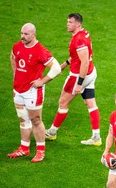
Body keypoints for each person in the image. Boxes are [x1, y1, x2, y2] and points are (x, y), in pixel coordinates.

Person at [7, 23, 61, 163]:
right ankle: (24, 148)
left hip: (32, 92)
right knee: (23, 118)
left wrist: (42, 81)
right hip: (18, 89)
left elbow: (56, 68)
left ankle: (40, 151)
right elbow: (13, 56)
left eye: (26, 34)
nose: (22, 36)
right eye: (21, 33)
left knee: (36, 120)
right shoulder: (17, 46)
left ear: (33, 34)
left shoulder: (40, 51)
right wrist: (15, 73)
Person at [45, 13, 101, 146]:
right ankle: (96, 137)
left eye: (70, 22)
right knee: (90, 104)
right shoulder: (83, 34)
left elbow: (84, 62)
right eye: (67, 21)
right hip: (91, 73)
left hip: (79, 75)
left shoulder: (79, 39)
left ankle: (52, 132)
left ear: (78, 24)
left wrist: (79, 84)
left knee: (63, 102)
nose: (67, 24)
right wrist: (64, 65)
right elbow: (76, 56)